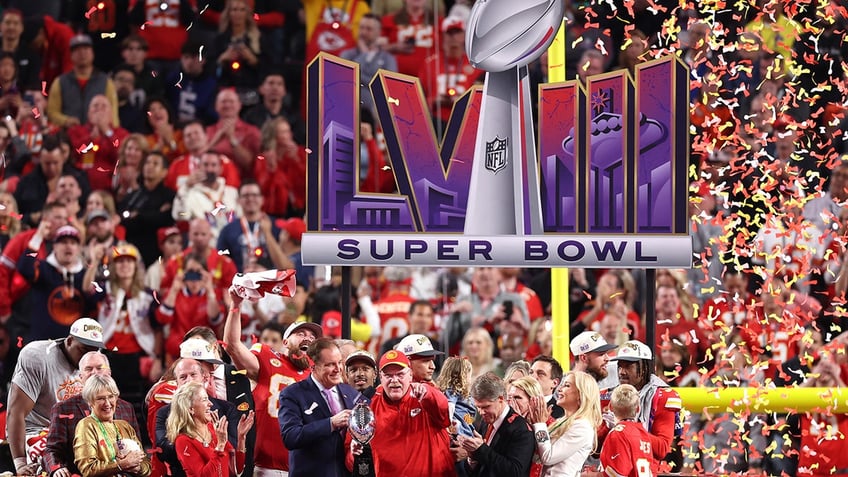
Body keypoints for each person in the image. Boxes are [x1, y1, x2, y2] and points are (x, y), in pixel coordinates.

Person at [224, 288, 318, 476]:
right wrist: (236, 306)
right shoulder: (268, 360)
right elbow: (233, 346)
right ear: (285, 342)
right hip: (269, 468)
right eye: (301, 334)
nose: (308, 337)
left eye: (312, 337)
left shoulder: (319, 374)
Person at [7, 317, 105, 475]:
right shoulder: (37, 356)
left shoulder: (95, 363)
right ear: (70, 341)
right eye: (84, 349)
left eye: (94, 350)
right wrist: (20, 464)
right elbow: (16, 411)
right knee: (56, 467)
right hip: (39, 430)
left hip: (76, 432)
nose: (88, 356)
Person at [348, 349, 454, 476]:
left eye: (400, 374)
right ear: (380, 377)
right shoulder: (366, 407)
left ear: (410, 375)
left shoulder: (426, 395)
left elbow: (445, 414)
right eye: (388, 375)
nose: (394, 380)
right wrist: (354, 455)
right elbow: (350, 463)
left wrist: (428, 394)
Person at [45, 352, 140, 477]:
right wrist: (57, 468)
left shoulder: (126, 408)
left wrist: (139, 466)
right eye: (89, 369)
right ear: (80, 376)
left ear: (109, 372)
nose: (95, 372)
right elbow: (52, 450)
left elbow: (138, 448)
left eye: (100, 368)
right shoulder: (63, 409)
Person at [279, 337, 360, 476]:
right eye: (330, 364)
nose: (338, 369)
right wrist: (330, 423)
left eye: (339, 362)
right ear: (313, 366)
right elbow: (290, 437)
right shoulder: (292, 394)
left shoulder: (350, 392)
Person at [608, 340, 682, 467]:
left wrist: (625, 428)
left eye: (628, 366)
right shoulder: (612, 393)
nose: (622, 372)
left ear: (644, 367)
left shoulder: (663, 396)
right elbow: (596, 452)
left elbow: (662, 449)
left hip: (644, 469)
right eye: (620, 366)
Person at [165, 381, 254, 477]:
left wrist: (241, 437)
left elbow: (236, 470)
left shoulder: (212, 429)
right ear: (190, 409)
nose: (210, 404)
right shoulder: (183, 441)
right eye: (204, 399)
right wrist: (220, 446)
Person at [454, 372, 535, 477]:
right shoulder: (485, 421)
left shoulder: (521, 429)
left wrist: (481, 449)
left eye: (486, 407)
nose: (481, 412)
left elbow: (515, 471)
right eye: (478, 407)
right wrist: (472, 457)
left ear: (501, 399)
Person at [72, 375, 150, 477]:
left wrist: (138, 468)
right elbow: (88, 469)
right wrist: (122, 465)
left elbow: (146, 464)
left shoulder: (124, 426)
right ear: (90, 402)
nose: (107, 403)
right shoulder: (86, 425)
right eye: (100, 398)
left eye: (111, 396)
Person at [527, 371, 602, 477]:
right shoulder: (563, 420)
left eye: (567, 385)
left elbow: (548, 457)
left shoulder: (582, 427)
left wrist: (540, 424)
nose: (559, 389)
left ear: (581, 394)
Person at [46, 34, 119, 128]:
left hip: (98, 137)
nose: (82, 53)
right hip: (68, 135)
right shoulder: (60, 82)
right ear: (71, 55)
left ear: (92, 53)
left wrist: (112, 133)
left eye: (86, 49)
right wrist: (66, 121)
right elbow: (52, 112)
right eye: (77, 50)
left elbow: (113, 115)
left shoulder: (106, 82)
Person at [599, 384, 655, 477]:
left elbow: (618, 474)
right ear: (638, 409)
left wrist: (593, 475)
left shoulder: (618, 434)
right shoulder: (643, 433)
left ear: (611, 407)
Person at [436, 356, 477, 438]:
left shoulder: (466, 394)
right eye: (469, 374)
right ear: (463, 375)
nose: (470, 378)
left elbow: (469, 417)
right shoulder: (452, 391)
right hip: (458, 433)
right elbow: (449, 408)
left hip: (467, 432)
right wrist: (447, 426)